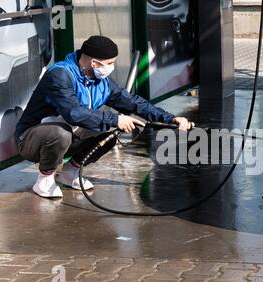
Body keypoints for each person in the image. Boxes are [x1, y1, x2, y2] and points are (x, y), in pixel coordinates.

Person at [14, 35, 194, 199]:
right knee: (61, 133)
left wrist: (170, 119)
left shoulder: (101, 81)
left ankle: (71, 173)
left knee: (110, 133)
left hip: (67, 135)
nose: (111, 67)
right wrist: (115, 119)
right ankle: (44, 179)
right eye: (109, 62)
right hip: (31, 140)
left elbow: (132, 102)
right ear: (94, 63)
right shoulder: (60, 75)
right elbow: (73, 112)